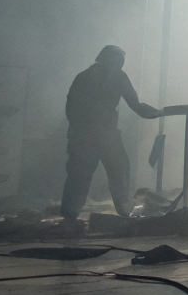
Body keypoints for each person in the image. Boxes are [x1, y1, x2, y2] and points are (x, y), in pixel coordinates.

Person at [61, 45, 161, 226]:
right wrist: (158, 113)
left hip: (88, 135)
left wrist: (79, 131)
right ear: (112, 60)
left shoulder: (83, 76)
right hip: (102, 135)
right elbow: (136, 105)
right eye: (119, 61)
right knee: (117, 169)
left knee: (81, 174)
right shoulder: (116, 76)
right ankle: (124, 210)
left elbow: (70, 108)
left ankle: (70, 215)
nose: (121, 65)